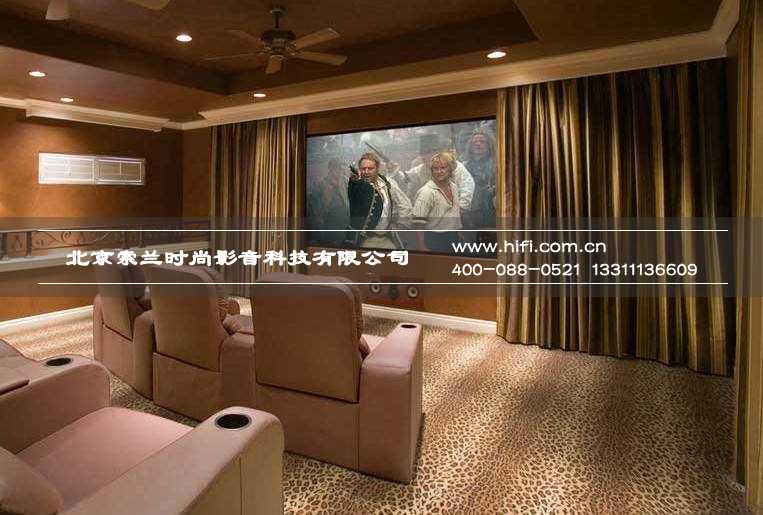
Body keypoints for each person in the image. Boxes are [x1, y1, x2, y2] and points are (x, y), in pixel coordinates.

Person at [388, 134, 475, 212]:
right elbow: (405, 179)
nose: (426, 156)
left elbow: (467, 186)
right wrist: (395, 171)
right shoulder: (421, 170)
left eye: (430, 152)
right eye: (424, 153)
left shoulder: (455, 166)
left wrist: (460, 208)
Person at [346, 152, 412, 249]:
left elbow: (405, 205)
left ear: (377, 169)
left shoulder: (387, 183)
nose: (366, 172)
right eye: (363, 169)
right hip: (366, 240)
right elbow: (353, 197)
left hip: (387, 238)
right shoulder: (357, 186)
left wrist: (399, 225)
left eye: (370, 168)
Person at [412, 151, 461, 253]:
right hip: (434, 239)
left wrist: (458, 234)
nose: (439, 171)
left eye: (443, 168)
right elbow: (418, 224)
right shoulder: (426, 192)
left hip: (453, 237)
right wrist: (421, 247)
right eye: (435, 168)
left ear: (450, 169)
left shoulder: (454, 187)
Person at [307, 158, 350, 246]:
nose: (338, 171)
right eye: (335, 168)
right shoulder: (322, 184)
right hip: (330, 217)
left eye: (339, 168)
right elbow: (314, 202)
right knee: (332, 241)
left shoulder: (344, 182)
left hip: (344, 216)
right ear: (330, 169)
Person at [462, 128, 497, 230]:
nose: (478, 144)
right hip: (470, 212)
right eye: (475, 142)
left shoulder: (497, 164)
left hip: (491, 209)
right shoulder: (464, 166)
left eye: (482, 141)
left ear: (489, 144)